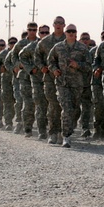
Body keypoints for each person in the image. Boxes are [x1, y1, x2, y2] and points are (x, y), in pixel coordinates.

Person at [49, 25, 92, 149]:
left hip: (77, 84)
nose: (71, 33)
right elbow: (50, 61)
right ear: (65, 33)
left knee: (74, 109)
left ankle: (67, 129)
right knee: (66, 108)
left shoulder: (83, 48)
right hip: (62, 83)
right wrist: (54, 69)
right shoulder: (58, 47)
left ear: (76, 33)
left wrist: (78, 65)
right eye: (69, 31)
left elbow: (89, 66)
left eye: (73, 31)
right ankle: (66, 137)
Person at [36, 17, 67, 145]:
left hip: (67, 80)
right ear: (53, 25)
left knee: (66, 106)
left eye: (61, 23)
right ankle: (53, 132)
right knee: (53, 105)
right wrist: (42, 67)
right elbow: (37, 57)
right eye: (56, 23)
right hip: (49, 78)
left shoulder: (69, 40)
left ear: (64, 25)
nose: (58, 25)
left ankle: (63, 132)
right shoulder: (45, 41)